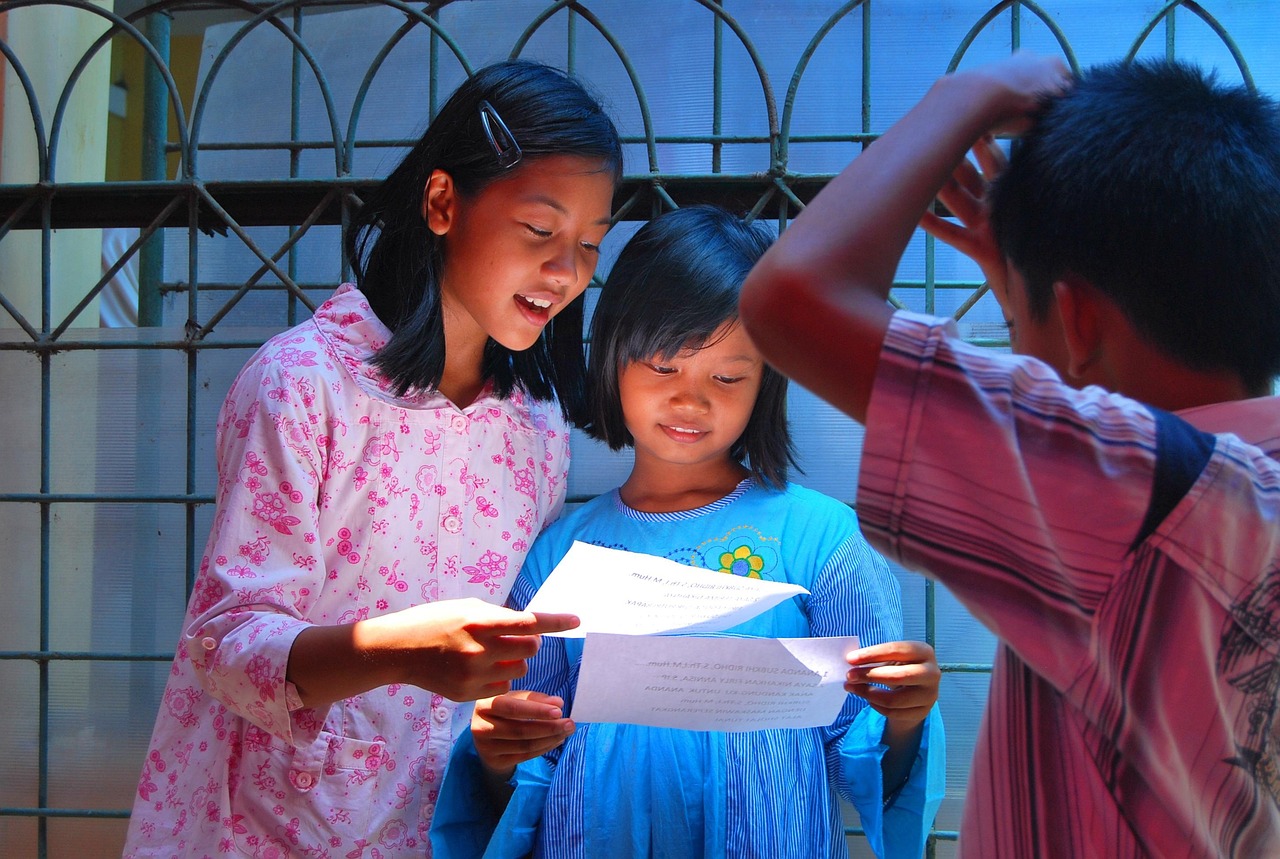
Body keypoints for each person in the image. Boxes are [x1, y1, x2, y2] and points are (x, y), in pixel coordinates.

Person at [738, 52, 1280, 858]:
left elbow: (788, 298)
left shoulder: (1135, 491)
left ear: (1083, 323)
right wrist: (1042, 301)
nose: (1020, 360)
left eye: (1020, 327)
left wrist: (967, 95)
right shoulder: (1248, 481)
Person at [123, 60, 622, 858]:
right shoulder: (301, 385)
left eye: (589, 246)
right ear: (441, 202)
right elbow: (227, 644)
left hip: (432, 832)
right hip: (253, 828)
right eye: (540, 231)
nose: (565, 272)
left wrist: (511, 718)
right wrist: (399, 650)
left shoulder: (536, 428)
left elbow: (495, 668)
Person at [430, 205, 945, 859]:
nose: (691, 399)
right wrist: (496, 752)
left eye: (728, 376)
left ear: (767, 381)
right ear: (614, 355)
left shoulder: (823, 541)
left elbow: (871, 756)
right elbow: (519, 765)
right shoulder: (559, 554)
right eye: (663, 365)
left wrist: (904, 714)